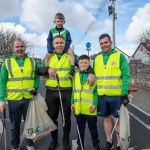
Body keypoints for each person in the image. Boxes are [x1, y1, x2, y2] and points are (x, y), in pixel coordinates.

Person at [0, 39, 40, 150]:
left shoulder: (32, 61)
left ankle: (30, 144)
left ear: (25, 47)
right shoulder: (7, 62)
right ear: (13, 49)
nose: (19, 49)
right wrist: (2, 99)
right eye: (17, 47)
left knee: (30, 124)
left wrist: (36, 86)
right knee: (14, 126)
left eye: (21, 46)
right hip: (13, 100)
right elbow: (2, 81)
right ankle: (15, 146)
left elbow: (36, 76)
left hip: (29, 98)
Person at [94, 33, 130, 150]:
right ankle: (109, 141)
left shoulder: (119, 56)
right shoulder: (97, 58)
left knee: (117, 121)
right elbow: (94, 76)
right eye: (101, 43)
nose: (104, 45)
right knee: (106, 119)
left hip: (116, 96)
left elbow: (126, 75)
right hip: (102, 95)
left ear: (110, 42)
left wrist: (124, 93)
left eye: (106, 42)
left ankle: (119, 143)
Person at [71, 55, 100, 150]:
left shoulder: (93, 76)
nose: (83, 64)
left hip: (90, 108)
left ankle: (96, 145)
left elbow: (96, 92)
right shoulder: (75, 76)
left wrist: (95, 104)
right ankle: (80, 146)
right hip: (78, 108)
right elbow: (73, 90)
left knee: (93, 129)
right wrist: (72, 103)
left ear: (89, 64)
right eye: (81, 63)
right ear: (78, 65)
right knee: (80, 129)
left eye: (85, 63)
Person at [46, 12, 75, 78]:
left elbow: (69, 40)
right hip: (54, 48)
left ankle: (72, 70)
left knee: (71, 52)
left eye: (61, 21)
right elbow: (49, 40)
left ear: (64, 22)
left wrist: (65, 49)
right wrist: (50, 50)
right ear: (54, 22)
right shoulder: (52, 30)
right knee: (47, 55)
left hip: (64, 47)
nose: (59, 23)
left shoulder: (66, 31)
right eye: (58, 21)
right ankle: (46, 70)